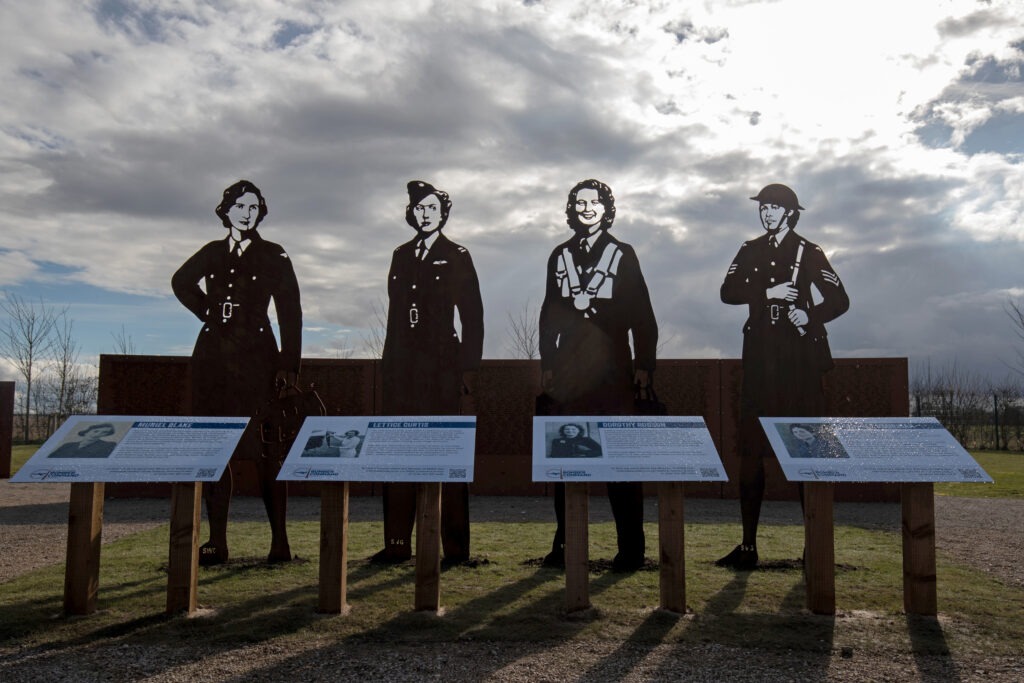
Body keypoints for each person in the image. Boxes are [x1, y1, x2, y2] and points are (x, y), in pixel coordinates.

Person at [717, 183, 849, 570]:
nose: (767, 213)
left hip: (798, 364)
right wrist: (766, 289)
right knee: (750, 453)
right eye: (764, 207)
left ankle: (815, 545)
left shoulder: (809, 252)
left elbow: (839, 299)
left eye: (775, 207)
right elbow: (727, 292)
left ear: (791, 213)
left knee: (806, 454)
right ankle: (747, 545)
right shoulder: (749, 249)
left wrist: (810, 315)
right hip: (758, 361)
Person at [172, 179, 302, 565]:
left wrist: (287, 365)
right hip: (213, 359)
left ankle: (280, 542)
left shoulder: (274, 255)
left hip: (259, 360)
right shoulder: (213, 252)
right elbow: (180, 281)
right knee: (213, 450)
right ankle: (216, 541)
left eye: (253, 207)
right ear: (225, 211)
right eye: (239, 207)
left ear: (260, 212)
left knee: (267, 451)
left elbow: (290, 313)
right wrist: (207, 310)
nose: (246, 213)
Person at [539, 178, 658, 571]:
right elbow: (548, 312)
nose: (586, 208)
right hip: (570, 375)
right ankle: (565, 543)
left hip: (612, 371)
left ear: (607, 209)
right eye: (579, 202)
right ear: (572, 210)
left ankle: (631, 550)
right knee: (565, 460)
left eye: (594, 202)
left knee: (621, 463)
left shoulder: (622, 254)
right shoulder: (560, 255)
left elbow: (643, 316)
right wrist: (547, 363)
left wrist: (644, 366)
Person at [375, 180, 484, 564]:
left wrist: (469, 369)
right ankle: (396, 544)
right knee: (397, 452)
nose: (425, 214)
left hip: (442, 366)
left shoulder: (457, 254)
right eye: (419, 208)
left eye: (432, 208)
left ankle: (455, 548)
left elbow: (472, 317)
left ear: (443, 213)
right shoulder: (401, 255)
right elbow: (393, 317)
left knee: (448, 453)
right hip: (402, 367)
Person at [49, 423, 118, 458]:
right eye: (96, 431)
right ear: (87, 431)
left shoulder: (108, 445)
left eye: (104, 433)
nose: (97, 434)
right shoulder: (67, 445)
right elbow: (51, 458)